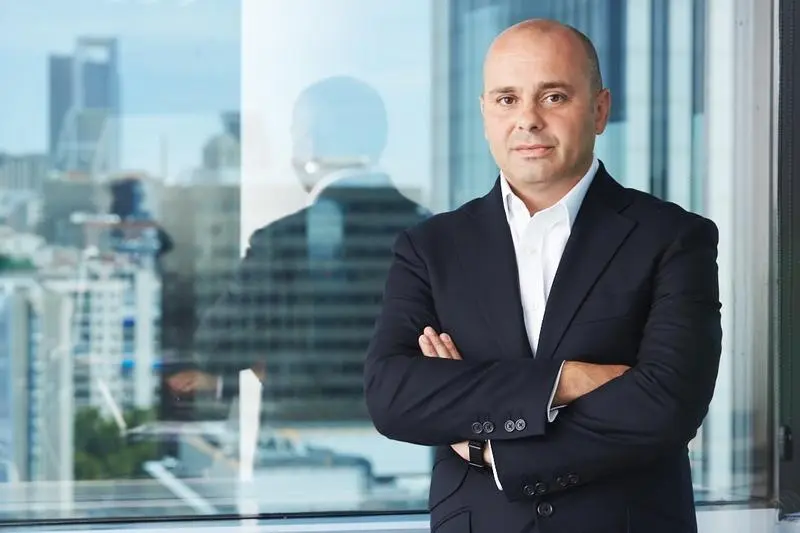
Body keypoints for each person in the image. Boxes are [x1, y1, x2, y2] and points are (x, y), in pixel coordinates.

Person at [364, 19, 721, 533]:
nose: (528, 120)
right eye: (507, 99)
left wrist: (489, 447)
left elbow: (667, 405)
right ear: (485, 114)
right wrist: (567, 380)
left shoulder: (674, 238)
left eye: (553, 97)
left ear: (599, 110)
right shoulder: (430, 247)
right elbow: (393, 397)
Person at [166, 76, 429, 422]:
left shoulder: (282, 242)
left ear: (309, 143)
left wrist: (271, 355)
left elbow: (216, 347)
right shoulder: (435, 232)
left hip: (310, 435)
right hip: (416, 439)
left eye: (295, 137)